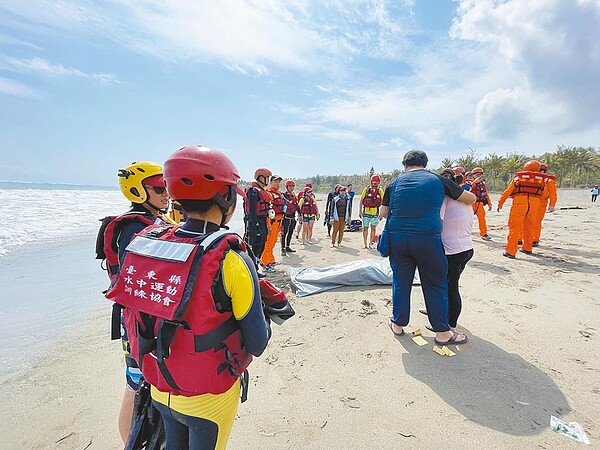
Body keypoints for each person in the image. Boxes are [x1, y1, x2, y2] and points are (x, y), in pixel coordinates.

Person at [107, 146, 273, 450]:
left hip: (159, 386)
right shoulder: (230, 257)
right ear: (226, 198)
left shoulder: (148, 243)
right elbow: (258, 343)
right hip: (207, 397)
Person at [96, 161, 170, 443]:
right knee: (135, 384)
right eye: (158, 188)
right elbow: (136, 281)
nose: (166, 194)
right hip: (138, 321)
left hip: (151, 318)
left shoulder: (156, 222)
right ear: (138, 191)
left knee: (147, 383)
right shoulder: (132, 228)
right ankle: (127, 442)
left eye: (167, 187)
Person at [380, 150, 475, 345]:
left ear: (404, 164)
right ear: (425, 164)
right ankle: (442, 333)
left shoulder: (394, 183)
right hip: (427, 240)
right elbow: (469, 198)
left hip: (398, 241)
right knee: (435, 283)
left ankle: (397, 324)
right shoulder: (438, 180)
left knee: (401, 282)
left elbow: (383, 212)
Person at [436, 169, 474, 331]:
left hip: (452, 251)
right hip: (466, 248)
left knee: (449, 287)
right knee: (450, 285)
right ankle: (443, 314)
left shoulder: (445, 199)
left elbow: (437, 222)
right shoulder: (464, 198)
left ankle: (450, 325)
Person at [497, 160, 547, 258]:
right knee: (529, 227)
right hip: (534, 205)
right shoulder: (541, 180)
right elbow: (544, 195)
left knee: (514, 227)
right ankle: (527, 248)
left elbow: (508, 191)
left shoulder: (518, 178)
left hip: (519, 204)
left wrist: (500, 203)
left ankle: (511, 251)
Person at [244, 167, 272, 263]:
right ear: (260, 178)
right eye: (266, 178)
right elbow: (252, 211)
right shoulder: (253, 192)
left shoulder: (262, 191)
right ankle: (253, 267)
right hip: (255, 221)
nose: (268, 180)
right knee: (256, 245)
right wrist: (256, 227)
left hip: (262, 221)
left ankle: (257, 264)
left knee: (262, 245)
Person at [261, 175, 284, 271]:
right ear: (271, 182)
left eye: (279, 182)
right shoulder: (269, 194)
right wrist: (268, 225)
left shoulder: (278, 194)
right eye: (275, 181)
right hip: (272, 222)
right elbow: (267, 211)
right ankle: (265, 263)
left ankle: (270, 259)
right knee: (268, 243)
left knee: (273, 242)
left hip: (278, 222)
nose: (278, 183)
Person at [531, 163, 558, 246]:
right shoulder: (532, 179)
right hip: (531, 202)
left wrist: (552, 205)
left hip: (541, 204)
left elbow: (553, 194)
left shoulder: (549, 181)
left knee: (536, 221)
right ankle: (521, 238)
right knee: (526, 221)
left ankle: (535, 239)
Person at [359, 174, 385, 249]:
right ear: (371, 182)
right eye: (373, 182)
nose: (374, 184)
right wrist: (360, 211)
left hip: (375, 214)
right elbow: (361, 201)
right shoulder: (366, 190)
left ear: (378, 183)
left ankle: (370, 243)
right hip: (366, 213)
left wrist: (381, 214)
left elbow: (383, 203)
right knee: (365, 228)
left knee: (373, 228)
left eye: (376, 182)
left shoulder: (380, 191)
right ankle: (365, 243)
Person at [469, 167, 493, 240]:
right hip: (471, 204)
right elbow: (467, 189)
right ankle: (466, 233)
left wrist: (489, 203)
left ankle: (484, 234)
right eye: (477, 174)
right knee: (468, 220)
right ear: (473, 175)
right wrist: (474, 182)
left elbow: (486, 194)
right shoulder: (469, 182)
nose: (478, 176)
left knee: (482, 219)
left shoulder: (483, 184)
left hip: (480, 204)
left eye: (480, 174)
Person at [281, 180, 299, 256]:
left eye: (293, 186)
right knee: (284, 233)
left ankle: (288, 246)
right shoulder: (284, 196)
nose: (292, 188)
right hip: (286, 217)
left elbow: (297, 206)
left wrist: (300, 215)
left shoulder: (294, 196)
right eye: (290, 186)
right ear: (287, 187)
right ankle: (283, 248)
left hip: (292, 217)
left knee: (290, 233)